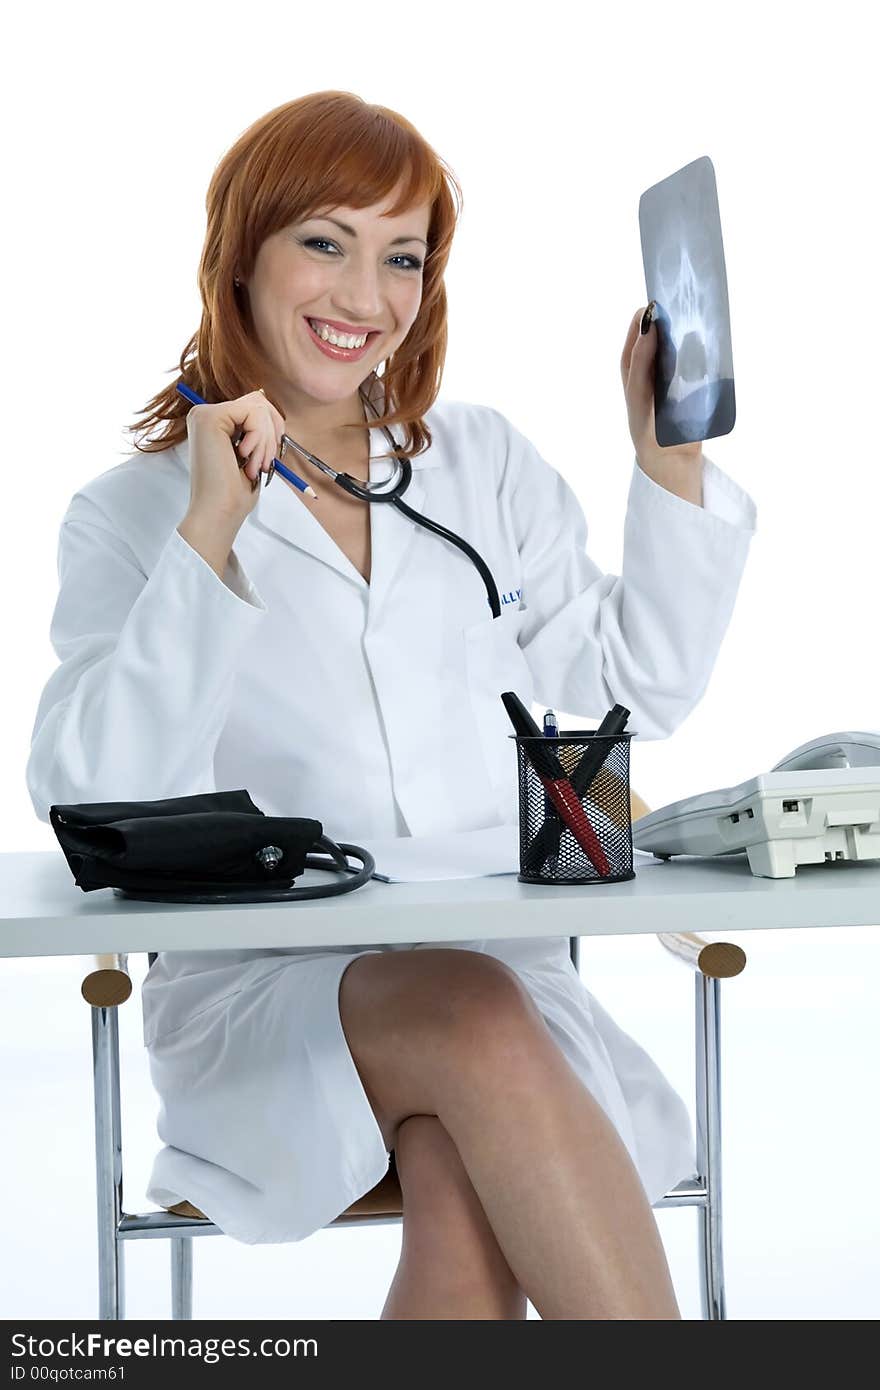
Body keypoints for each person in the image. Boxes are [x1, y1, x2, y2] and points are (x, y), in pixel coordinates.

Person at [26, 91, 757, 1319]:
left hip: (506, 980)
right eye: (325, 241)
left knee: (469, 1171)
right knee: (470, 1024)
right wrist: (210, 526)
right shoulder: (136, 509)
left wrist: (665, 461)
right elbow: (91, 795)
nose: (365, 295)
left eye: (401, 255)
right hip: (262, 997)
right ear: (241, 253)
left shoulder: (481, 464)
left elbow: (631, 697)